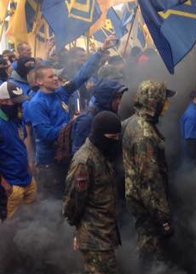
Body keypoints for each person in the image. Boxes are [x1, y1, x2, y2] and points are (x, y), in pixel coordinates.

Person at [27, 37, 116, 196]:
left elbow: (80, 77)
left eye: (56, 76)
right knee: (52, 204)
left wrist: (100, 51)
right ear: (39, 81)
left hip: (64, 157)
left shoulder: (59, 93)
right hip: (49, 164)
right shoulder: (36, 104)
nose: (56, 79)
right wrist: (71, 124)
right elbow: (45, 134)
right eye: (51, 77)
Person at [63, 111, 123, 274]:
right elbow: (73, 202)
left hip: (105, 233)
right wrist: (79, 232)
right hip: (94, 237)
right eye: (111, 137)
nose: (115, 141)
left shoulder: (101, 153)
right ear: (99, 135)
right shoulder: (84, 161)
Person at [122, 80, 175, 258]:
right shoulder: (144, 135)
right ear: (154, 102)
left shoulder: (132, 121)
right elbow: (150, 179)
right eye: (163, 100)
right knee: (152, 248)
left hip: (136, 195)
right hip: (146, 202)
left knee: (146, 240)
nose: (166, 104)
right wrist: (163, 217)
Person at [0, 81, 36, 219]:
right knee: (10, 226)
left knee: (29, 219)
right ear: (2, 102)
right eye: (15, 102)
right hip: (10, 186)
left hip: (26, 179)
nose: (20, 106)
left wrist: (29, 166)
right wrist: (4, 184)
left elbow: (21, 143)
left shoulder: (17, 119)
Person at [71, 79, 127, 155]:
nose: (119, 101)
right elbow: (77, 152)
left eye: (120, 97)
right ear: (106, 98)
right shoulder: (87, 120)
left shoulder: (113, 116)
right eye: (116, 98)